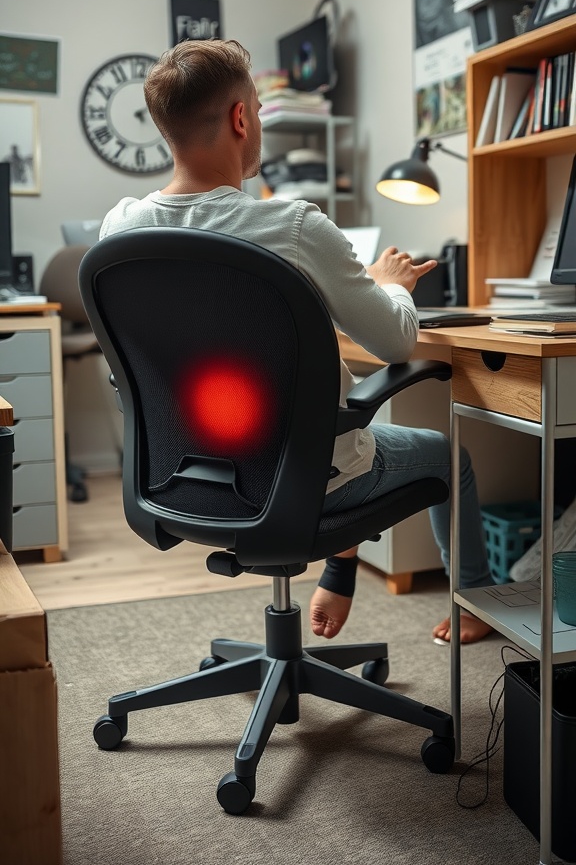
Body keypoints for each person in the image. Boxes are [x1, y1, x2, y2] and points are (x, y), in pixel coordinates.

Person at [99, 38, 494, 645]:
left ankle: (339, 572)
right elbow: (394, 341)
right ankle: (471, 603)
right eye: (254, 109)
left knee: (317, 421)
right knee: (446, 455)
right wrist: (392, 285)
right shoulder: (292, 226)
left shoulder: (121, 228)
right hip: (301, 473)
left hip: (179, 470)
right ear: (240, 118)